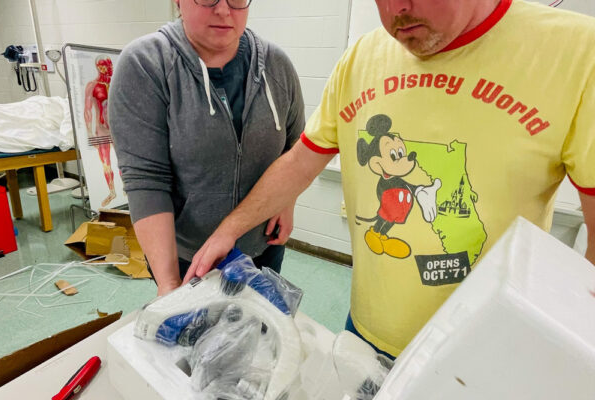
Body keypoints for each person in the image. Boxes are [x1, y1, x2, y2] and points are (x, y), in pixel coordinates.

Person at [184, 0, 595, 358]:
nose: (395, 9)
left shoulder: (576, 52)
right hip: (368, 330)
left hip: (484, 347)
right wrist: (230, 229)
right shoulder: (364, 55)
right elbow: (299, 162)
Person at [108, 0, 305, 297]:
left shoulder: (276, 65)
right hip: (188, 257)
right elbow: (146, 181)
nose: (224, 10)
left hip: (262, 246)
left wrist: (286, 201)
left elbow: (295, 148)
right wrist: (169, 284)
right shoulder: (146, 65)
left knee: (254, 332)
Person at [84, 55, 117, 207]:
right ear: (98, 67)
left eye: (109, 64)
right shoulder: (93, 85)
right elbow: (88, 110)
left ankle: (128, 190)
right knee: (106, 163)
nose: (108, 68)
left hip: (119, 129)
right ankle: (112, 192)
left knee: (125, 161)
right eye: (104, 65)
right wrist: (89, 133)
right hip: (102, 129)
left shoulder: (118, 81)